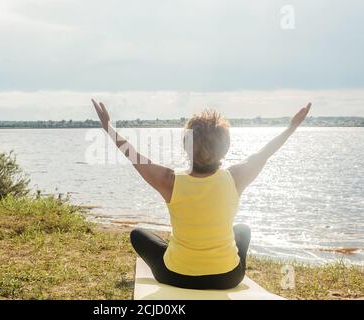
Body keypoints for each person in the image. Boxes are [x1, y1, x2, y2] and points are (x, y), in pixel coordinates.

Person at [92, 99, 311, 289]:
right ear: (225, 148)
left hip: (175, 276)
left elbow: (135, 156)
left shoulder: (169, 181)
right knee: (242, 230)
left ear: (186, 147)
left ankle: (184, 253)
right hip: (227, 277)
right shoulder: (235, 178)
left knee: (138, 234)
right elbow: (265, 153)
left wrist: (109, 128)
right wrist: (291, 128)